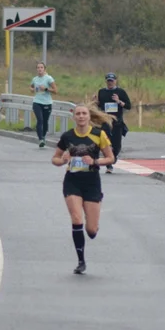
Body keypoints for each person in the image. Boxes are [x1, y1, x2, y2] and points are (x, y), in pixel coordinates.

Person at [52, 104, 115, 274]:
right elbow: (55, 159)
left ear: (88, 117)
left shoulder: (98, 134)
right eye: (78, 114)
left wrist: (95, 161)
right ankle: (81, 261)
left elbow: (110, 158)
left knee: (91, 230)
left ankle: (93, 222)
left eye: (84, 113)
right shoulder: (67, 136)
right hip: (72, 181)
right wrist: (63, 160)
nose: (81, 116)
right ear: (74, 117)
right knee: (76, 218)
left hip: (92, 182)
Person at [97, 73, 132, 173]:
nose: (110, 83)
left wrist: (119, 101)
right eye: (108, 81)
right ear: (106, 81)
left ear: (115, 81)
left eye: (112, 81)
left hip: (117, 122)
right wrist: (95, 102)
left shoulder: (121, 92)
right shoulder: (101, 92)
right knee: (106, 143)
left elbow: (128, 106)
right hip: (105, 122)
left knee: (116, 145)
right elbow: (100, 106)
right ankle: (109, 165)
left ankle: (113, 157)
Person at [30, 62, 57, 148]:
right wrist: (32, 89)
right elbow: (31, 87)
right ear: (36, 69)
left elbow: (55, 91)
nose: (40, 69)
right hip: (37, 102)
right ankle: (40, 139)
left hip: (47, 103)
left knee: (45, 122)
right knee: (40, 120)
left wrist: (45, 89)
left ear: (44, 69)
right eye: (38, 67)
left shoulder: (49, 78)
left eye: (41, 67)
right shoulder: (35, 79)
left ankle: (43, 136)